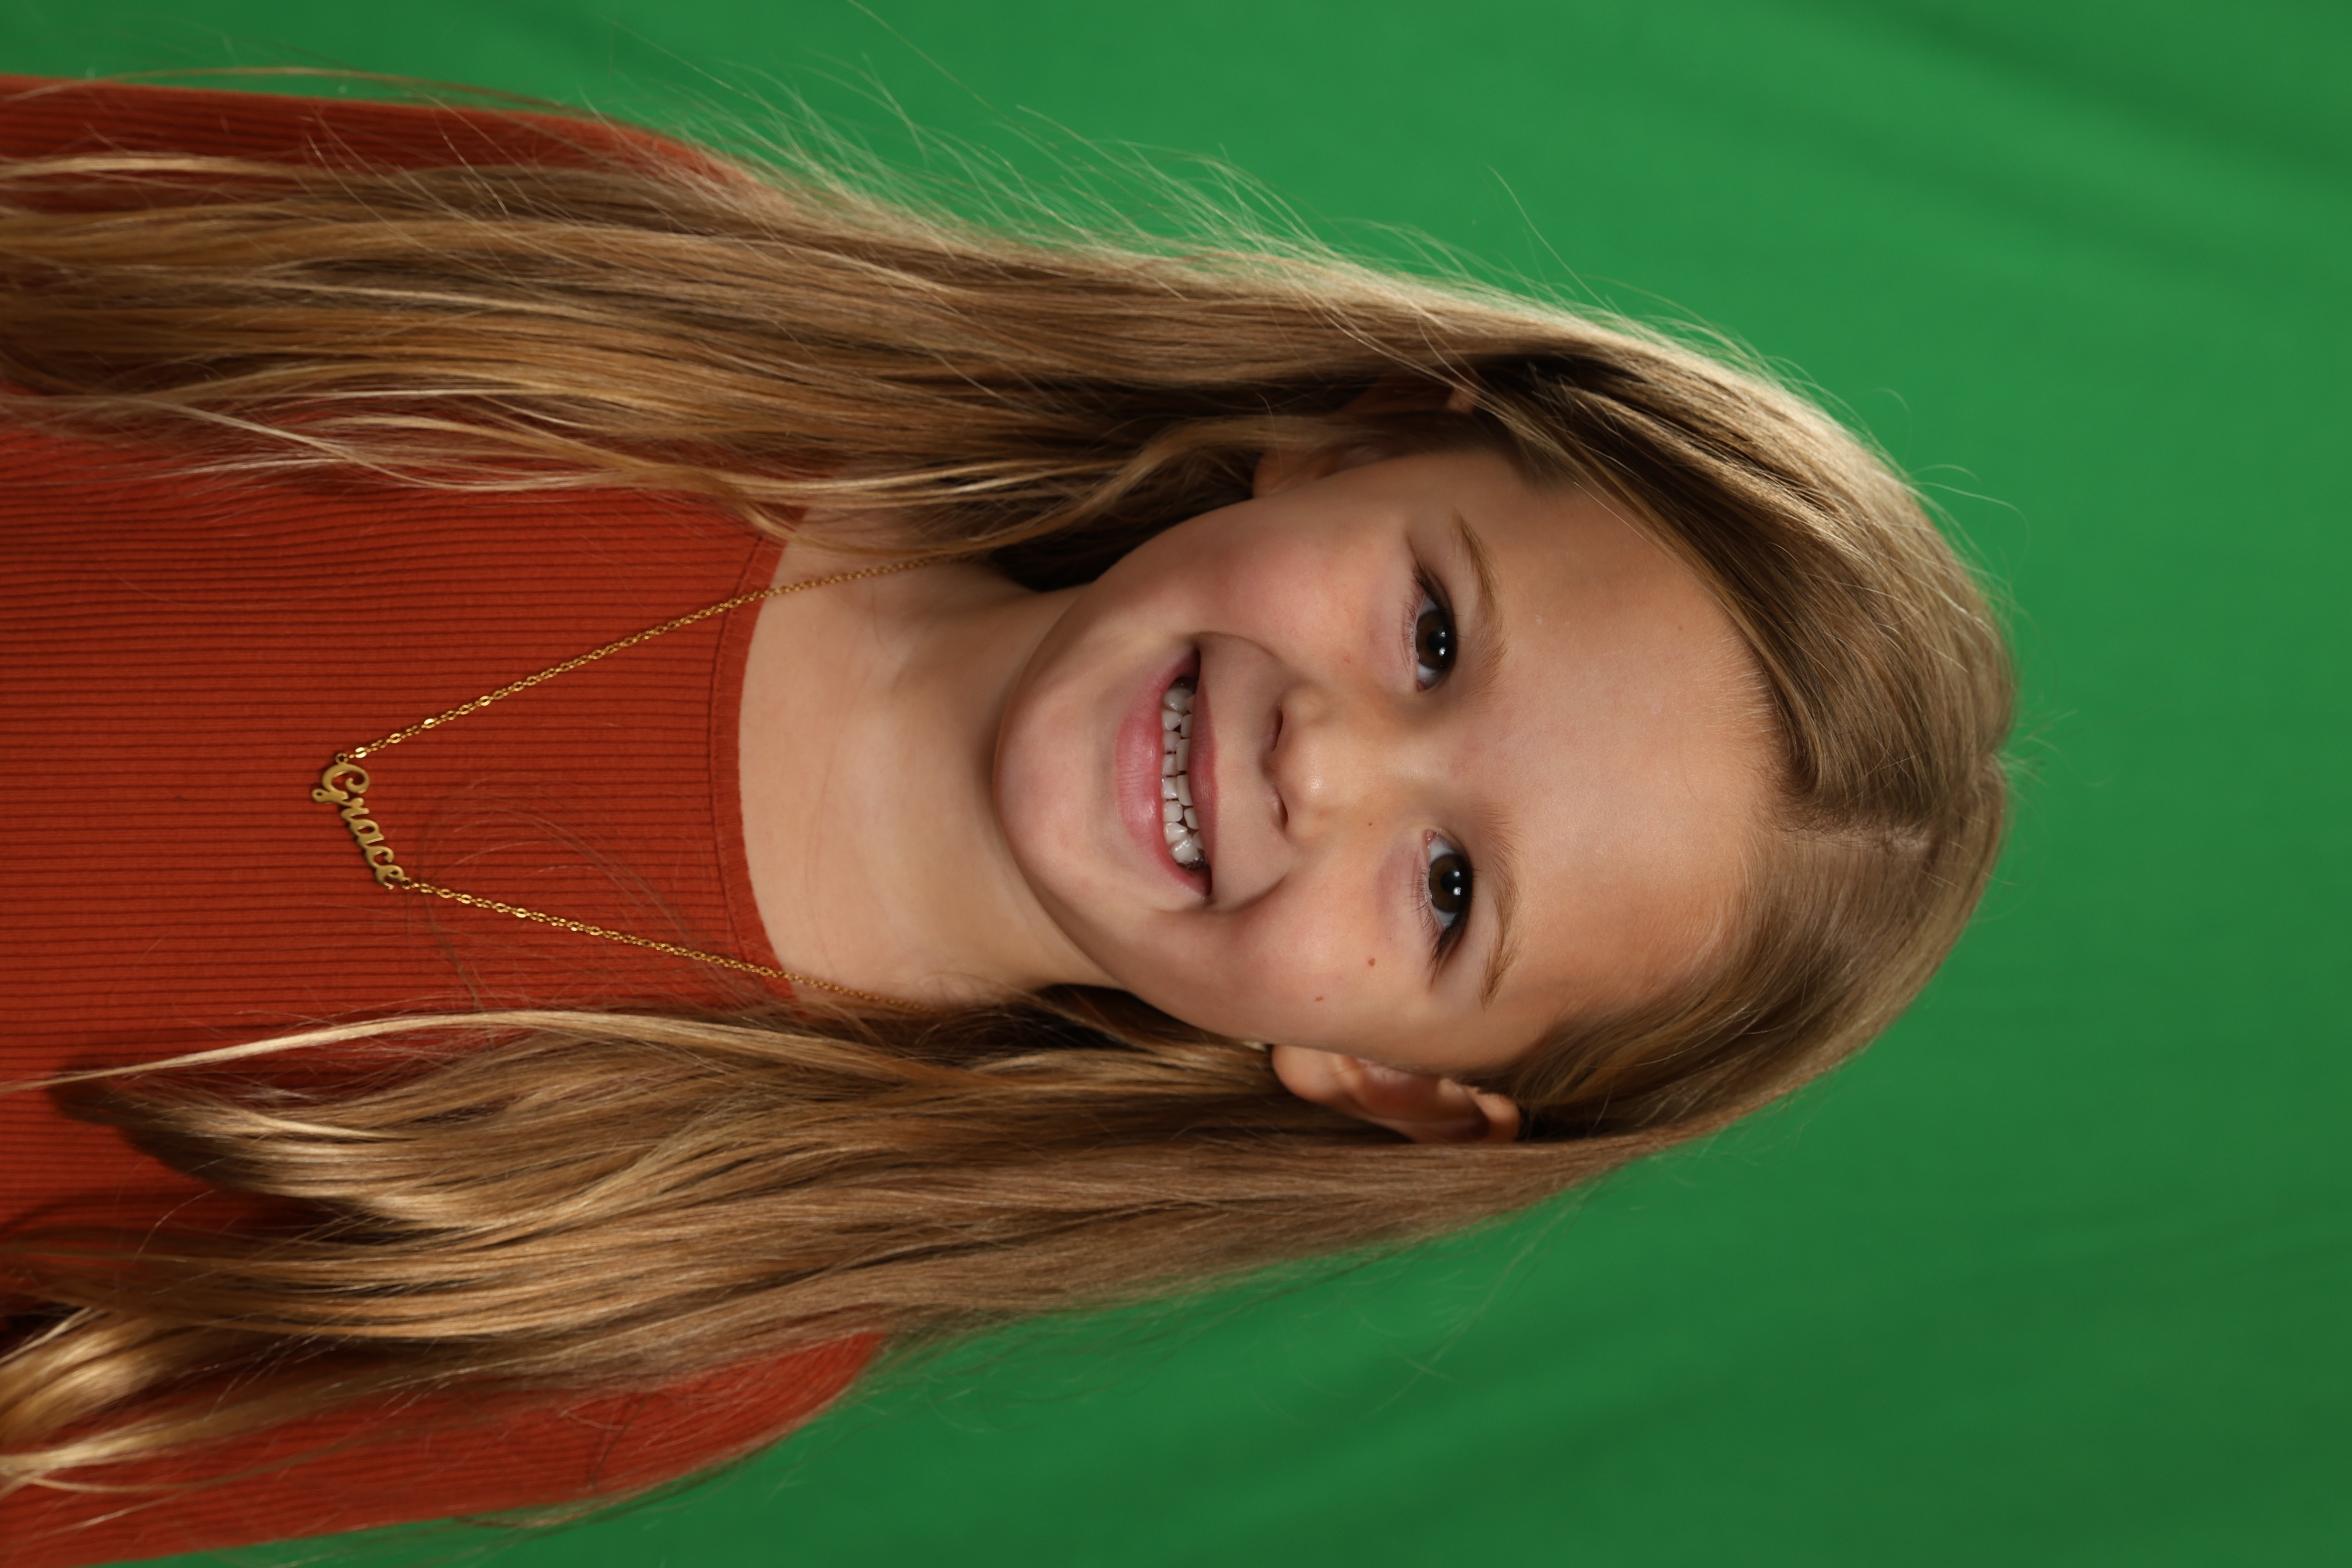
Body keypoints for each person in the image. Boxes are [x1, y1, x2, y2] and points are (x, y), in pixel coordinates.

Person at [0, 73, 2013, 1566]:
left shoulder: (686, 1319)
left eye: (1451, 889)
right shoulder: (652, 294)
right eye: (1431, 631)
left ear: (1395, 1086)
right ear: (1365, 437)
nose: (1328, 767)